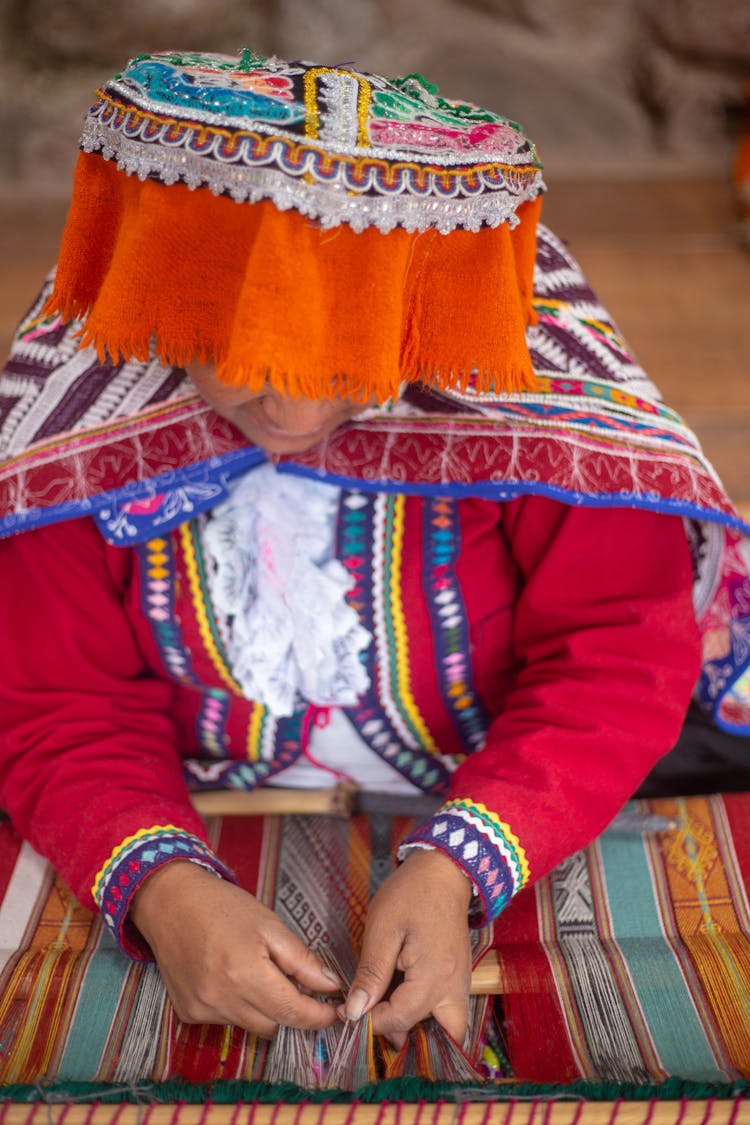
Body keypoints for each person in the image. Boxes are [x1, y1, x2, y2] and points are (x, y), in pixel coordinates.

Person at [0, 48, 748, 1054]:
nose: (293, 407)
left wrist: (460, 863)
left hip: (523, 794)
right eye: (242, 348)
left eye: (349, 356)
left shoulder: (541, 416)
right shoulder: (66, 440)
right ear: (162, 286)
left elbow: (614, 660)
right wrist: (161, 888)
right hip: (177, 805)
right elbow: (57, 704)